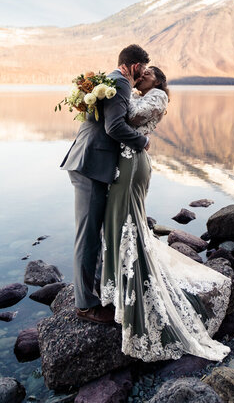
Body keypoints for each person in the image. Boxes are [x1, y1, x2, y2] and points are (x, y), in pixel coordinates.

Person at [100, 66, 232, 362]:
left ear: (157, 80)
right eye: (141, 72)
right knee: (121, 223)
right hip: (124, 161)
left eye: (147, 73)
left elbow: (131, 117)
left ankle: (138, 287)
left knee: (129, 223)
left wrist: (116, 95)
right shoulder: (138, 92)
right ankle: (121, 285)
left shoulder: (158, 96)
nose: (142, 75)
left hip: (133, 163)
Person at [60, 44, 150, 324]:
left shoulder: (111, 79)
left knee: (92, 235)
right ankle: (85, 306)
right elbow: (114, 127)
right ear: (135, 66)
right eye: (144, 69)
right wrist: (143, 141)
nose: (144, 74)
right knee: (87, 238)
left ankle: (93, 292)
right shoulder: (120, 83)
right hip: (89, 166)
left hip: (90, 163)